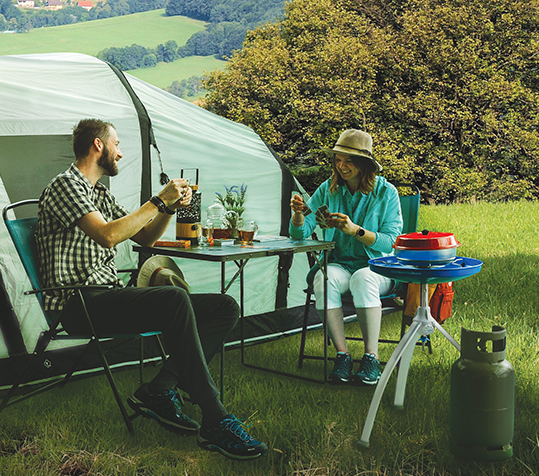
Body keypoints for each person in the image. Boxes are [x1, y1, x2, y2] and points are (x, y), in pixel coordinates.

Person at [35, 118, 267, 461]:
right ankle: (214, 418)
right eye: (116, 145)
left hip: (106, 297)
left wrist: (169, 208)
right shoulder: (66, 186)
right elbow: (109, 235)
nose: (121, 152)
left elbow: (144, 237)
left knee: (224, 307)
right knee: (174, 298)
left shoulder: (98, 192)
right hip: (78, 303)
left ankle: (159, 389)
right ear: (98, 146)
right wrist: (158, 200)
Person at [289, 129, 402, 386]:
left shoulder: (386, 193)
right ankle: (342, 355)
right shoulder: (328, 190)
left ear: (364, 164)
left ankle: (371, 358)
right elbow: (300, 233)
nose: (341, 166)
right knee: (323, 278)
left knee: (363, 278)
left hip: (378, 267)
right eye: (338, 160)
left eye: (348, 161)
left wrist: (356, 231)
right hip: (341, 264)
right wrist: (298, 215)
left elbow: (391, 241)